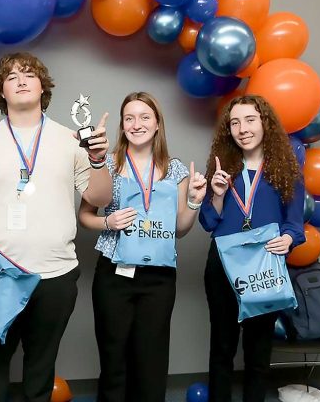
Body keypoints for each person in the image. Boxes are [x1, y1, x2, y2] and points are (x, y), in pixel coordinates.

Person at [0, 52, 113, 402]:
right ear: (1, 91)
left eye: (29, 74)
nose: (20, 80)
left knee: (40, 369)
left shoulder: (71, 140)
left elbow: (99, 196)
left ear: (42, 86)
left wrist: (98, 159)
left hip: (56, 274)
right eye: (11, 76)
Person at [77, 92, 208, 402]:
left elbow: (179, 229)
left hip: (159, 278)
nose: (137, 124)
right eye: (130, 118)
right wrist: (109, 223)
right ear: (122, 126)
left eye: (145, 117)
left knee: (151, 362)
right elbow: (84, 216)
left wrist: (193, 202)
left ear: (158, 124)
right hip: (114, 273)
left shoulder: (175, 170)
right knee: (113, 361)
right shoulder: (105, 163)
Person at [200, 94, 306, 402]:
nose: (242, 128)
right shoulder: (222, 168)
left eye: (250, 120)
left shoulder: (285, 169)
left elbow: (295, 224)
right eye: (235, 122)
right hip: (223, 266)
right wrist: (217, 195)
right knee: (221, 347)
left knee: (258, 352)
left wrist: (287, 239)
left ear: (265, 124)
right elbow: (208, 222)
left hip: (264, 267)